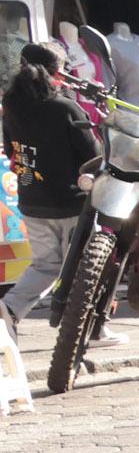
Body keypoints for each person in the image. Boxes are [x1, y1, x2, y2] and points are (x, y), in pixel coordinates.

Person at [2, 41, 96, 333]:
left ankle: (9, 308)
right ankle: (91, 329)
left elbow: (10, 150)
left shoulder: (11, 108)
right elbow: (93, 156)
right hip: (71, 204)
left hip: (32, 201)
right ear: (57, 74)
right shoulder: (66, 107)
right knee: (85, 267)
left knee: (45, 266)